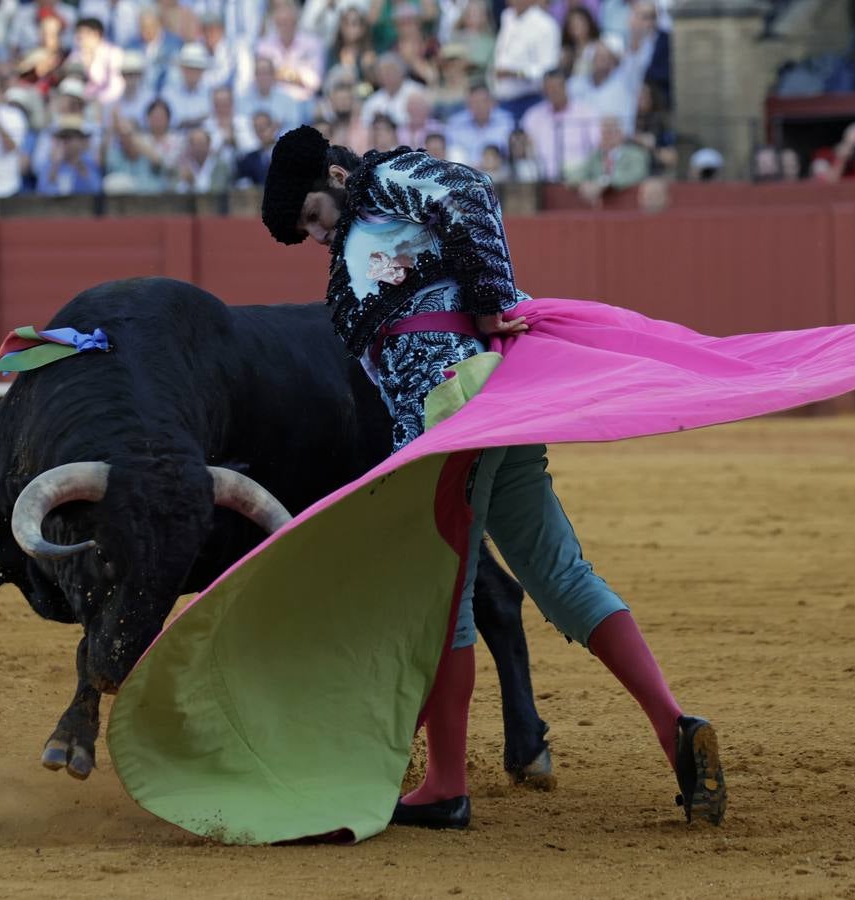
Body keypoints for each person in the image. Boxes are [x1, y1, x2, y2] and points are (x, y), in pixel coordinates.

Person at [258, 124, 726, 830]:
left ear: (334, 174)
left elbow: (470, 192)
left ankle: (446, 784)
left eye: (314, 218)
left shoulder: (382, 181)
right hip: (487, 398)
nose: (319, 236)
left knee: (443, 592)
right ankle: (674, 727)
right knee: (558, 574)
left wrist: (486, 298)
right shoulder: (368, 228)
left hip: (451, 409)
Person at [490, 0, 559, 121]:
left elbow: (548, 71)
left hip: (530, 100)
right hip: (502, 99)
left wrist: (515, 73)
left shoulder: (545, 25)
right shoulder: (507, 17)